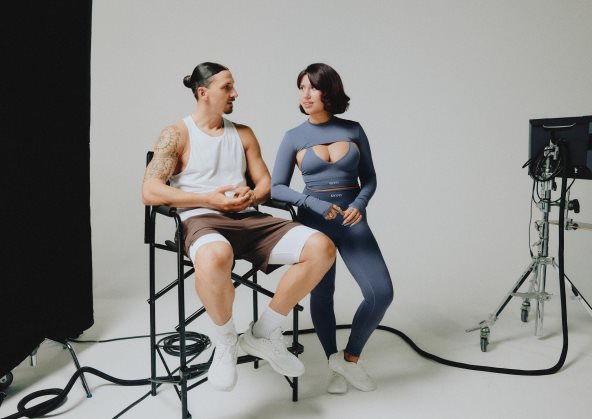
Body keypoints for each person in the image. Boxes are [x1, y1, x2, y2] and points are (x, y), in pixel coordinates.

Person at [142, 62, 336, 392]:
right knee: (215, 255)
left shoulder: (243, 133)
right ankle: (226, 340)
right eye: (227, 87)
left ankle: (263, 333)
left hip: (248, 219)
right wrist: (210, 199)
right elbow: (150, 191)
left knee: (322, 247)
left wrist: (252, 195)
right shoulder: (176, 133)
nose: (235, 93)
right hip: (201, 219)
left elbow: (265, 183)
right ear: (203, 93)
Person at [271, 63, 393, 394]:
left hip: (352, 222)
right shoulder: (293, 137)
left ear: (330, 90)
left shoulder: (353, 130)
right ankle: (331, 363)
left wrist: (359, 204)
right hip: (314, 225)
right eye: (301, 88)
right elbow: (276, 187)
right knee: (323, 295)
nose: (306, 94)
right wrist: (313, 203)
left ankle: (348, 359)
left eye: (313, 87)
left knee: (381, 293)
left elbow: (370, 178)